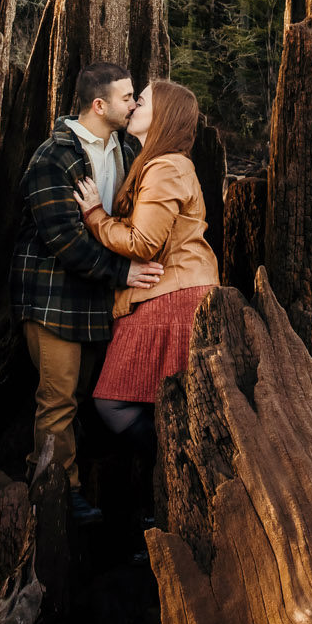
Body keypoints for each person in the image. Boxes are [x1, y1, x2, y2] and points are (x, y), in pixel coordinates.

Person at [12, 60, 160, 522]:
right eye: (126, 97)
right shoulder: (53, 157)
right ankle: (59, 494)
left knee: (91, 398)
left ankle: (111, 494)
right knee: (57, 398)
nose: (133, 103)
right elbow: (63, 240)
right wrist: (123, 274)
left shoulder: (125, 149)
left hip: (98, 301)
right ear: (99, 105)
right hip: (53, 298)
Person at [75, 79, 217, 441]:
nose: (133, 107)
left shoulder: (165, 167)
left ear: (163, 115)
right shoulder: (156, 163)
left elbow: (143, 242)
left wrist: (95, 216)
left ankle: (186, 459)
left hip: (173, 296)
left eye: (140, 101)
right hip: (169, 292)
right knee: (164, 403)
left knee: (113, 404)